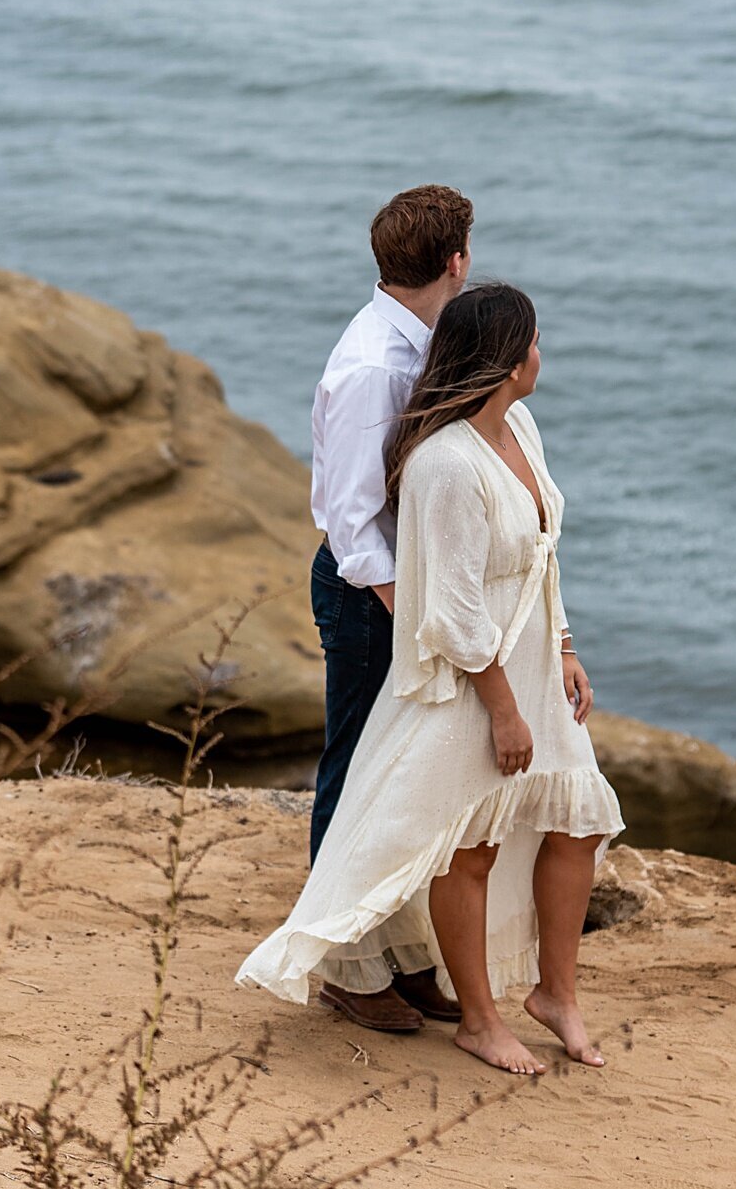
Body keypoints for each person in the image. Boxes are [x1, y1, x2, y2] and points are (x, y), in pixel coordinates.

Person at [237, 282, 622, 1075]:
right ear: (510, 362)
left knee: (579, 820)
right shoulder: (445, 463)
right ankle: (480, 1018)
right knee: (470, 844)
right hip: (475, 683)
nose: (543, 354)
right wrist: (506, 711)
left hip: (532, 663)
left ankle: (557, 994)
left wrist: (566, 645)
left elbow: (542, 557)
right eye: (536, 342)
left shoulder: (522, 427)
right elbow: (449, 609)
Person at [306, 183, 474, 1033]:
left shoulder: (419, 339)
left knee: (400, 774)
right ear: (457, 261)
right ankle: (342, 963)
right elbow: (352, 520)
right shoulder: (378, 363)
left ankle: (400, 953)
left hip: (391, 591)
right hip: (369, 594)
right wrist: (415, 614)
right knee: (354, 775)